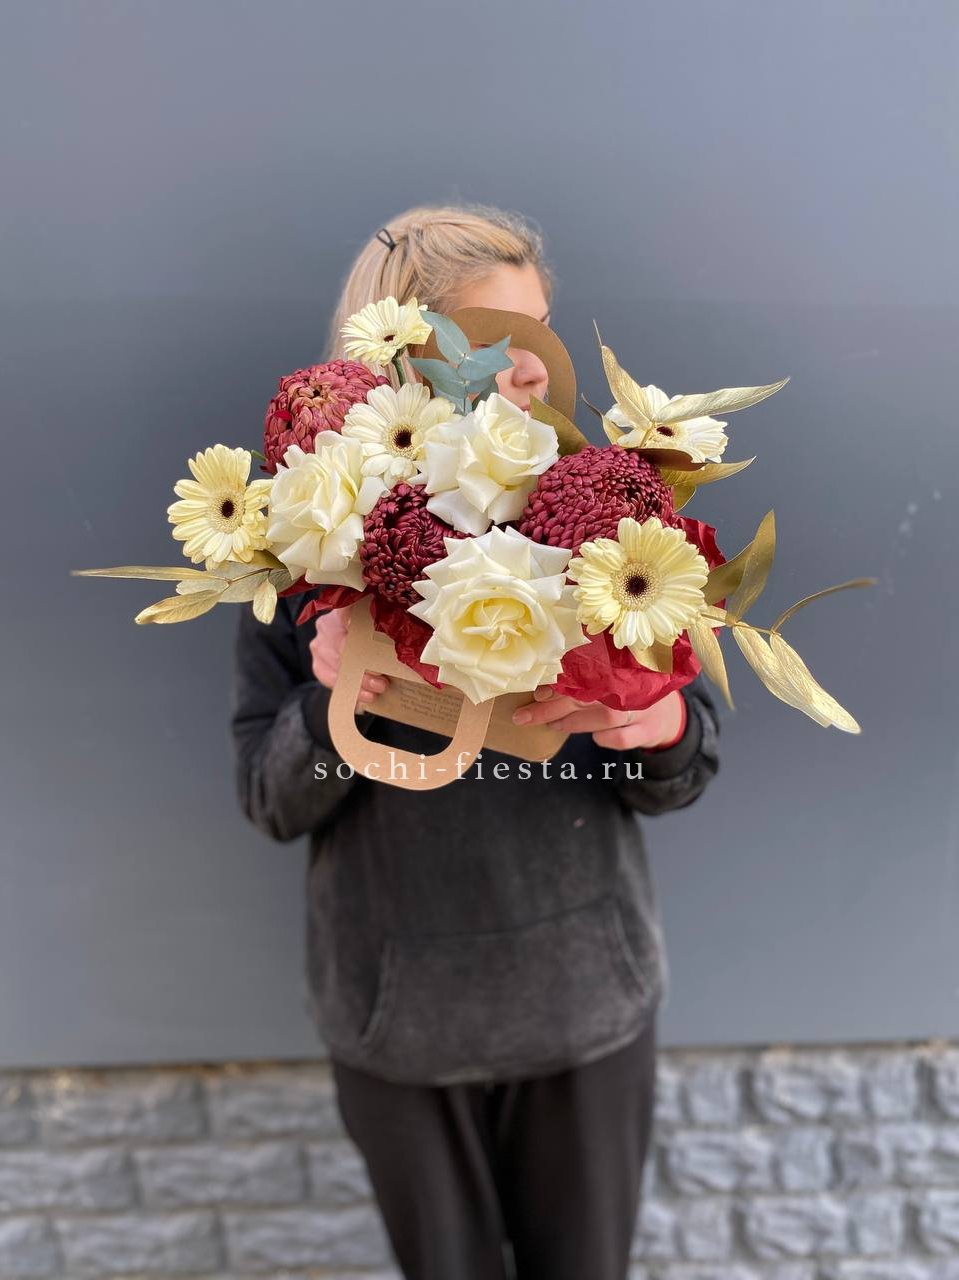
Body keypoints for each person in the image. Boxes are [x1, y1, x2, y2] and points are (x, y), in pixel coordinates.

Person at [231, 203, 721, 1280]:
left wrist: (658, 723)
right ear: (405, 350)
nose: (535, 366)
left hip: (586, 1008)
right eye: (500, 337)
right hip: (398, 1027)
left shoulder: (598, 514)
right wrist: (331, 704)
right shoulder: (306, 544)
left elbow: (684, 768)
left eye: (543, 329)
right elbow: (273, 797)